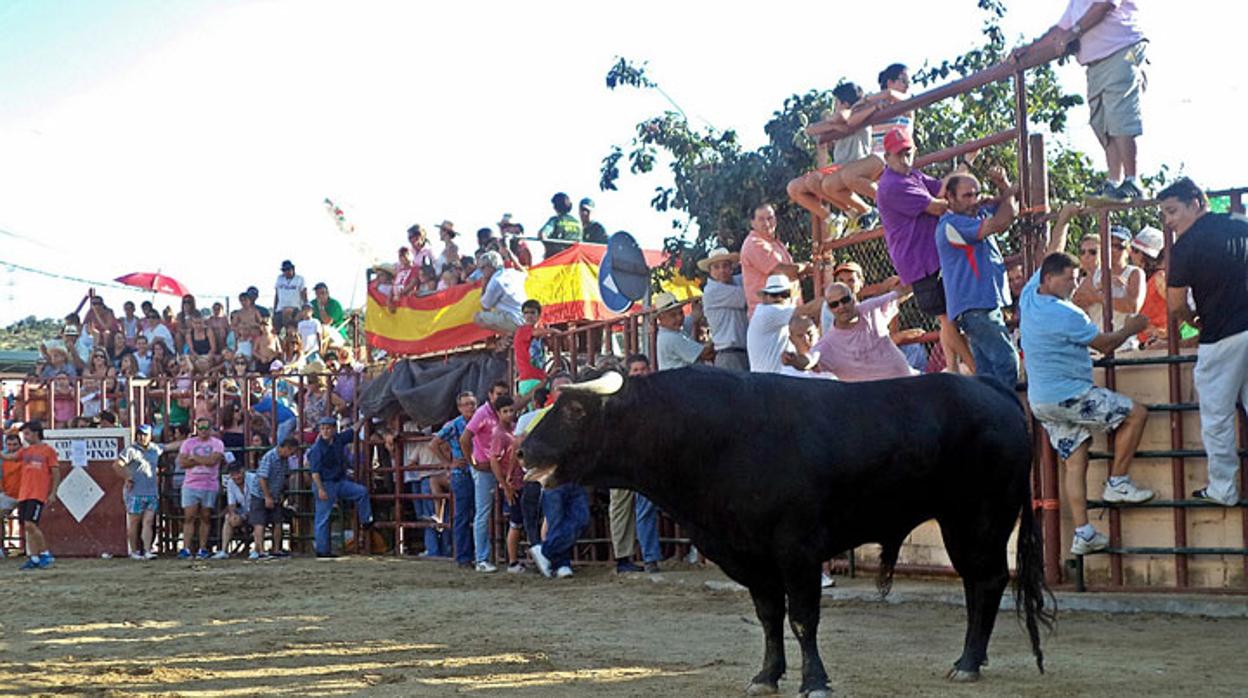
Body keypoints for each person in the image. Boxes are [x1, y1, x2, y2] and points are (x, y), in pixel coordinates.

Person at [1019, 213, 1153, 554]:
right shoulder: (1066, 313)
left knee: (1075, 461)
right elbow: (1105, 344)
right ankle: (1118, 482)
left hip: (1043, 402)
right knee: (1136, 414)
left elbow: (1054, 250)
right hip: (1069, 395)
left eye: (1076, 278)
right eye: (1069, 279)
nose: (1074, 285)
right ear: (1049, 280)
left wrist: (1063, 221)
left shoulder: (1030, 296)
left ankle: (1083, 533)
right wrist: (1132, 328)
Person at [1160, 178, 1248, 505]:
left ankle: (1224, 488)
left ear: (1195, 202)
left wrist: (1192, 322)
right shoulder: (1242, 224)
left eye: (1172, 211)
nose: (1169, 221)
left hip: (1220, 335)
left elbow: (1175, 303)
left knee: (1216, 415)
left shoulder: (1186, 245)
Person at [1014, 0, 1147, 202]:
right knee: (1102, 123)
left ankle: (1132, 181)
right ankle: (1114, 182)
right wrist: (1030, 49)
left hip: (1123, 51)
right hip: (1096, 64)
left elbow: (1104, 6)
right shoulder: (1075, 3)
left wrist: (1072, 33)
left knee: (1120, 114)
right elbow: (1059, 30)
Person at [875, 126, 976, 374]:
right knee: (947, 318)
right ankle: (975, 369)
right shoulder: (892, 185)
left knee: (948, 317)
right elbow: (938, 206)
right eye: (899, 154)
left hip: (928, 258)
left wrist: (966, 163)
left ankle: (953, 368)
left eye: (907, 152)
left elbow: (942, 187)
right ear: (886, 157)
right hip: (919, 261)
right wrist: (971, 200)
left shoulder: (912, 176)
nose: (904, 158)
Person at [934, 167, 1021, 388]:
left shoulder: (974, 214)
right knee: (1007, 362)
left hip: (979, 305)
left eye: (976, 194)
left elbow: (1011, 209)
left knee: (987, 375)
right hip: (977, 305)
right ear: (950, 198)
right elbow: (1003, 220)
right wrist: (1008, 192)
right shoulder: (952, 224)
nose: (973, 200)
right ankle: (1006, 416)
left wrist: (1003, 186)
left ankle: (990, 418)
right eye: (967, 196)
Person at [606, 354, 664, 574]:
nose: (640, 373)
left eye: (643, 369)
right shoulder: (619, 397)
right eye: (636, 370)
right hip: (621, 459)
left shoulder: (656, 398)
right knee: (622, 507)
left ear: (650, 370)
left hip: (646, 459)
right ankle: (624, 558)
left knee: (645, 507)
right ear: (629, 374)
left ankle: (649, 558)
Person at [811, 281, 919, 381]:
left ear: (853, 298)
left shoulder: (871, 309)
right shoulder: (827, 344)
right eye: (834, 304)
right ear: (829, 309)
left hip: (906, 382)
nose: (841, 307)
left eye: (845, 300)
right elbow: (809, 361)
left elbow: (901, 293)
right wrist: (795, 359)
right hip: (870, 397)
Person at [459, 381, 510, 572]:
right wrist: (473, 463)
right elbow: (464, 439)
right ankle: (482, 558)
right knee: (483, 513)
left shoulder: (499, 411)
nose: (501, 396)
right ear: (490, 395)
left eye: (503, 393)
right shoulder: (483, 413)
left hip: (495, 466)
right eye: (498, 393)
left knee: (487, 512)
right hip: (486, 468)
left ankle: (493, 557)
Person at [308, 416, 373, 557]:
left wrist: (362, 419)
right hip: (326, 483)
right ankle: (322, 550)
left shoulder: (337, 440)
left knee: (361, 492)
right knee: (323, 517)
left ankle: (366, 520)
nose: (325, 431)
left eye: (327, 428)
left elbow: (353, 430)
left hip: (335, 482)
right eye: (323, 428)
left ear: (333, 429)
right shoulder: (317, 448)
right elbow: (315, 473)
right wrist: (320, 489)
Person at [1073, 225, 1145, 349]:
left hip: (1124, 346)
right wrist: (1101, 288)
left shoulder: (1134, 273)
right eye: (1109, 245)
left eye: (1119, 246)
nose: (1113, 251)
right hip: (1097, 346)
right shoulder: (1094, 274)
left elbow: (1132, 306)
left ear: (1128, 250)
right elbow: (1076, 303)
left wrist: (1097, 297)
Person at [2, 422, 62, 570]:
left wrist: (53, 492)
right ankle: (34, 558)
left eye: (27, 433)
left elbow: (55, 473)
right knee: (27, 526)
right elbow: (9, 457)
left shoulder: (48, 451)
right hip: (25, 493)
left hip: (37, 493)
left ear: (36, 433)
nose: (25, 437)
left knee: (30, 525)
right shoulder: (26, 451)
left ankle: (45, 554)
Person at [431, 391, 479, 568]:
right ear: (459, 408)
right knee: (464, 515)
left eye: (472, 404)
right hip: (463, 474)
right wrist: (448, 463)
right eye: (466, 404)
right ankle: (464, 556)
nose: (470, 407)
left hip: (473, 471)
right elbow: (434, 443)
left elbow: (434, 444)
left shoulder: (472, 422)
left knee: (473, 515)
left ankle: (471, 554)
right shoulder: (455, 425)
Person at [747, 274, 825, 374]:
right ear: (765, 297)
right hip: (769, 382)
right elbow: (808, 310)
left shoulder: (781, 317)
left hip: (773, 380)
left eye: (784, 294)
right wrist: (833, 297)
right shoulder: (769, 312)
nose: (779, 298)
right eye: (774, 295)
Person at [740, 203, 806, 317]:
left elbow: (788, 275)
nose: (767, 223)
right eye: (761, 219)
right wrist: (806, 267)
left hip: (787, 313)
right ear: (752, 223)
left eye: (770, 218)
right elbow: (782, 271)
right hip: (770, 315)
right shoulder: (754, 243)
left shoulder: (776, 243)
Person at [486, 396, 528, 572]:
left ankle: (515, 559)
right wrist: (504, 484)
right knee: (515, 522)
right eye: (505, 411)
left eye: (511, 410)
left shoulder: (514, 429)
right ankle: (512, 561)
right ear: (498, 413)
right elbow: (494, 461)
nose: (510, 414)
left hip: (521, 480)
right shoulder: (499, 434)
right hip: (513, 484)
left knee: (520, 521)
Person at [176, 417, 225, 560]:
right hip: (191, 484)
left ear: (210, 429)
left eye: (206, 428)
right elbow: (182, 463)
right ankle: (186, 548)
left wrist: (194, 458)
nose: (203, 431)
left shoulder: (217, 443)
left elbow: (212, 461)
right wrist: (203, 460)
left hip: (209, 484)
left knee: (205, 516)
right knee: (189, 517)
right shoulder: (188, 443)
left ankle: (202, 548)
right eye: (200, 428)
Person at [113, 424, 161, 560]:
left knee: (148, 521)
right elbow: (117, 464)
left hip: (150, 491)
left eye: (144, 434)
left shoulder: (154, 449)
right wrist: (127, 477)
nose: (142, 437)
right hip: (135, 492)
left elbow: (170, 446)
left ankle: (146, 550)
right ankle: (134, 551)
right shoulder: (131, 450)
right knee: (135, 522)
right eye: (140, 434)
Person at [699, 247, 749, 371]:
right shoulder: (712, 291)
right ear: (710, 271)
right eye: (716, 267)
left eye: (725, 266)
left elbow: (751, 279)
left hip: (741, 352)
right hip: (729, 355)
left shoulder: (735, 281)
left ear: (731, 268)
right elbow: (749, 295)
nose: (722, 270)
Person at [251, 436, 298, 558]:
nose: (291, 454)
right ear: (285, 448)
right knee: (259, 522)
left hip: (275, 494)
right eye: (291, 451)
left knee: (278, 521)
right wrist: (267, 496)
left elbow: (285, 476)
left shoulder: (283, 459)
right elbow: (262, 478)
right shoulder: (270, 457)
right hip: (261, 494)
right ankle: (260, 550)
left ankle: (276, 549)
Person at [1126, 225, 1169, 346]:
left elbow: (1180, 306)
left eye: (1135, 250)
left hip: (1156, 344)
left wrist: (1165, 332)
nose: (1131, 255)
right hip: (1141, 343)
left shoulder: (1160, 278)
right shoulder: (1143, 279)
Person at [654, 292, 713, 370]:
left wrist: (697, 306)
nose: (679, 318)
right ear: (661, 318)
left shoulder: (671, 331)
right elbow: (705, 354)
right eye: (673, 315)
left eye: (681, 313)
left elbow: (694, 316)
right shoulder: (671, 338)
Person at [474, 250, 528, 335]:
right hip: (526, 316)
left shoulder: (495, 282)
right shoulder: (512, 272)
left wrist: (484, 285)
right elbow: (524, 273)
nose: (481, 271)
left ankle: (510, 334)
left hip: (514, 320)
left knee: (478, 317)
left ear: (491, 266)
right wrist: (510, 254)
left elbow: (485, 306)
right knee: (498, 312)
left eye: (483, 268)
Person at [215, 461, 251, 559]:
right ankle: (224, 550)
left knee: (256, 518)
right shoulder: (231, 483)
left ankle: (257, 549)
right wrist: (233, 514)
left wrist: (244, 516)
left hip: (256, 510)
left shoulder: (252, 479)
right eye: (233, 475)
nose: (236, 477)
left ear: (243, 471)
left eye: (238, 473)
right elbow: (231, 503)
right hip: (243, 510)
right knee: (228, 518)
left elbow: (258, 501)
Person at [514, 300, 550, 396]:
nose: (529, 316)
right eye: (526, 313)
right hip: (528, 379)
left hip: (539, 377)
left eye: (532, 312)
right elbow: (535, 332)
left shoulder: (538, 334)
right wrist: (552, 330)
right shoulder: (522, 330)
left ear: (538, 315)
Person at [274, 260, 308, 329]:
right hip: (281, 309)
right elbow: (277, 294)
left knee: (294, 330)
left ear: (293, 269)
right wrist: (275, 309)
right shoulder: (280, 279)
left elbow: (304, 294)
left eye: (288, 269)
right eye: (284, 270)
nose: (286, 272)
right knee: (275, 330)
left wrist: (305, 309)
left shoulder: (299, 279)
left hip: (295, 309)